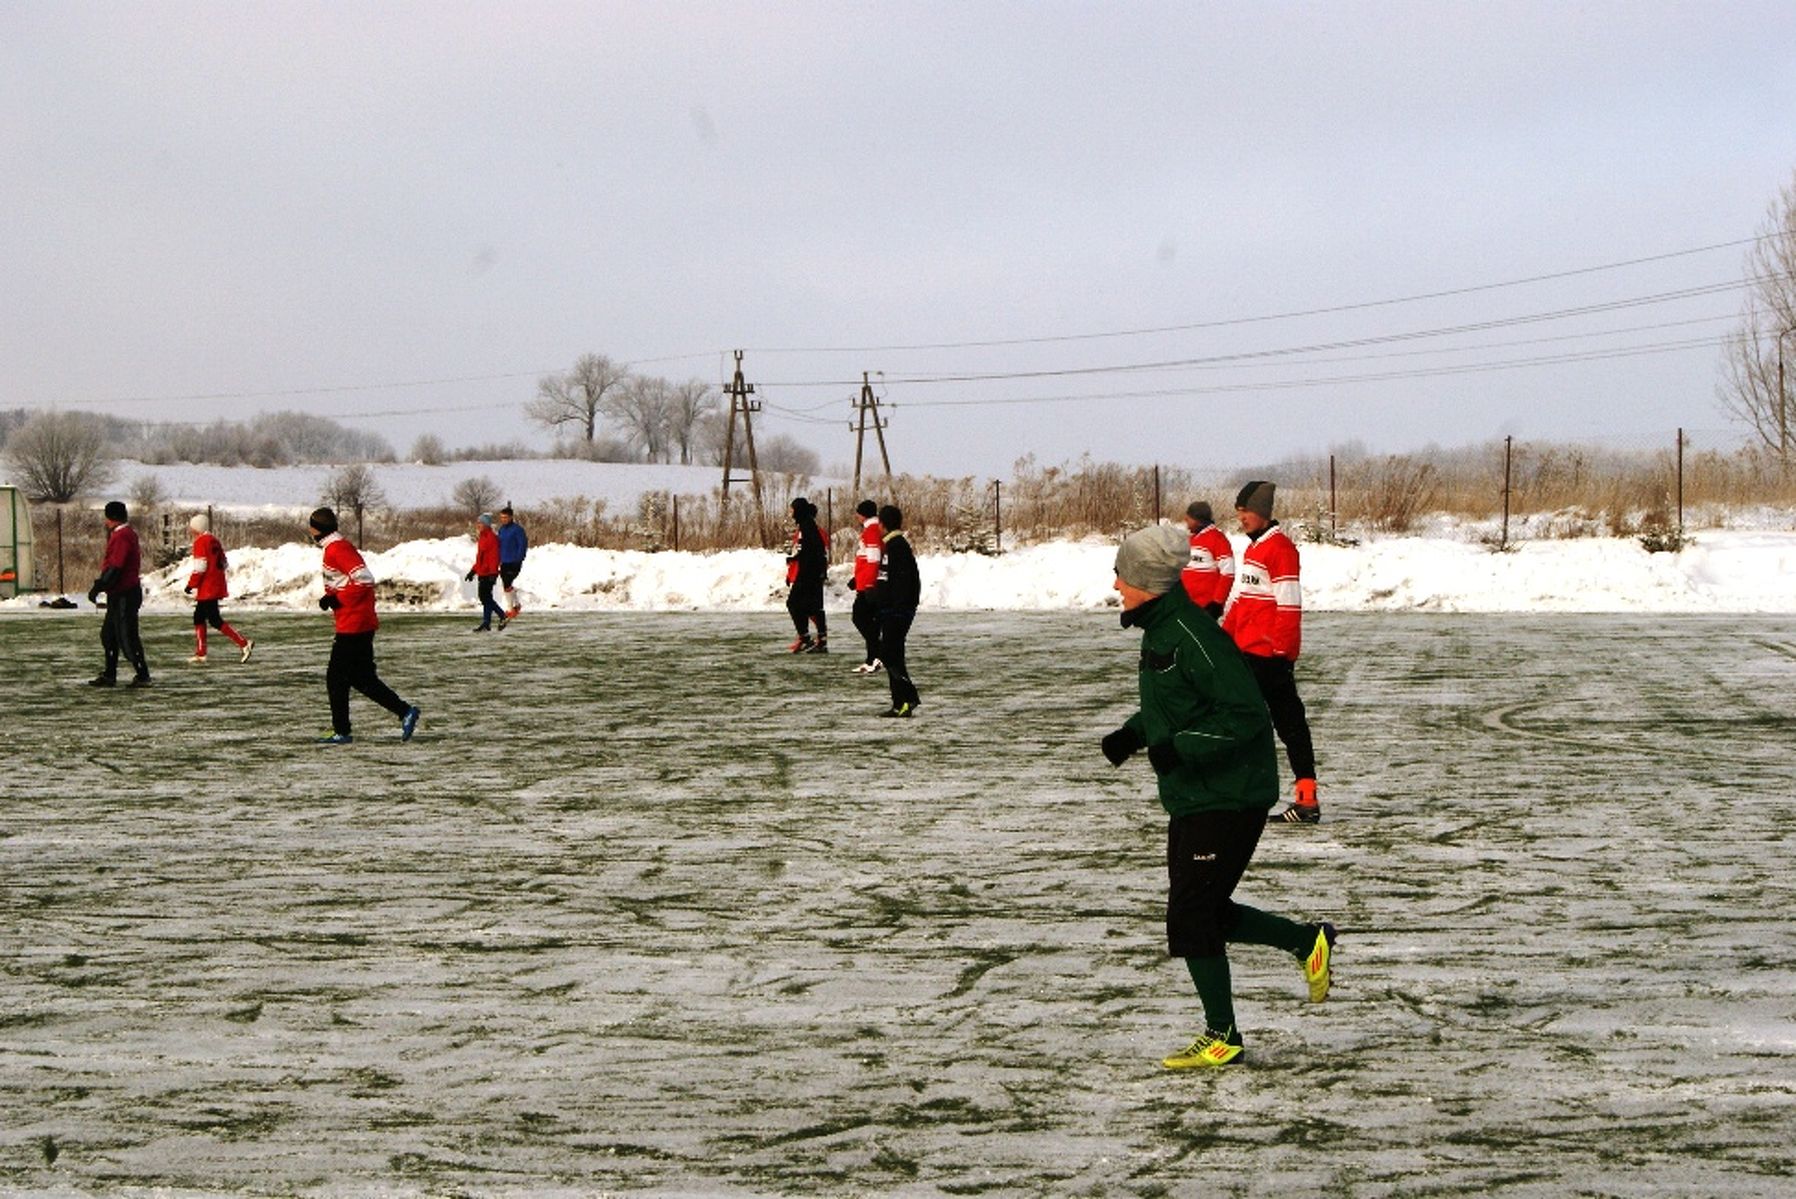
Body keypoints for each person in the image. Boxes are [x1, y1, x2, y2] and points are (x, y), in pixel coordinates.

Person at [1100, 522, 1335, 1069]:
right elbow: (1180, 706)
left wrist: (1177, 749)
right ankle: (1306, 942)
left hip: (1231, 794)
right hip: (1196, 793)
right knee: (1202, 908)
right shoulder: (1160, 629)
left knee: (1191, 914)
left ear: (1148, 582)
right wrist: (1133, 735)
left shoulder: (1192, 635)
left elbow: (1246, 717)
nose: (1116, 584)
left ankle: (1222, 1035)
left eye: (1123, 575)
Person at [1220, 481, 1321, 824]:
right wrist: (1223, 638)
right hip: (1248, 655)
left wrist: (1281, 651)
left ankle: (1304, 799)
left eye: (1245, 511)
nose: (1241, 518)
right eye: (1239, 512)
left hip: (1269, 657)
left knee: (1287, 725)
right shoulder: (1255, 549)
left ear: (1262, 511)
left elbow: (1289, 605)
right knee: (1261, 724)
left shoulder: (1280, 549)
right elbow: (1242, 603)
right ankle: (1264, 796)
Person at [309, 506, 421, 745]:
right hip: (356, 620)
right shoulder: (334, 547)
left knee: (336, 677)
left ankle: (342, 731)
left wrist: (336, 599)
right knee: (362, 678)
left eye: (311, 526)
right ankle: (404, 712)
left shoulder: (337, 549)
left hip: (354, 623)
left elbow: (364, 579)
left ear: (318, 529)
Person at [86, 500, 150, 687]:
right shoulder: (126, 534)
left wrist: (99, 585)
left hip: (125, 593)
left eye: (107, 518)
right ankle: (110, 674)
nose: (105, 522)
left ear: (112, 518)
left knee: (126, 635)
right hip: (122, 592)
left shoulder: (121, 536)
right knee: (109, 634)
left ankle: (142, 674)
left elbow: (116, 565)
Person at [182, 512, 253, 664]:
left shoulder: (200, 542)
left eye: (192, 528)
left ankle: (243, 643)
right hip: (215, 584)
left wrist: (191, 584)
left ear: (196, 528)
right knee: (199, 617)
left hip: (207, 587)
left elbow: (200, 567)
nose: (191, 531)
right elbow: (224, 563)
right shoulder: (214, 540)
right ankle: (201, 653)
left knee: (214, 619)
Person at [872, 504, 921, 717]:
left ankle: (908, 697)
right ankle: (900, 703)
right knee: (893, 655)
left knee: (888, 653)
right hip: (892, 610)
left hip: (897, 612)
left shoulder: (896, 546)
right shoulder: (892, 545)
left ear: (882, 524)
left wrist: (898, 610)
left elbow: (904, 581)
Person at [784, 496, 829, 653]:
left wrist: (794, 560)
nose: (790, 513)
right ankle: (817, 640)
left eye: (792, 509)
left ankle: (806, 638)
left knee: (795, 604)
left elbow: (810, 552)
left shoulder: (808, 527)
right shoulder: (807, 526)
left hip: (808, 575)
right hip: (811, 574)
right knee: (812, 607)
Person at [1179, 500, 1235, 619]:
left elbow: (1228, 573)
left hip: (1205, 606)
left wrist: (1217, 602)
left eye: (1189, 518)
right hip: (1188, 604)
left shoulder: (1217, 539)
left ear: (1198, 520)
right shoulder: (1192, 539)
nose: (1185, 520)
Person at [847, 499, 885, 674]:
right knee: (872, 622)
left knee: (860, 618)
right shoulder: (872, 529)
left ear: (862, 514)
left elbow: (873, 559)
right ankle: (872, 659)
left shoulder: (871, 531)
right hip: (866, 582)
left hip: (869, 585)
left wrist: (868, 583)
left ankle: (878, 654)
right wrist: (856, 578)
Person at [466, 512, 505, 631]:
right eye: (477, 523)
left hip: (489, 573)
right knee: (485, 597)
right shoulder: (482, 537)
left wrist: (493, 573)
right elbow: (480, 558)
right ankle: (487, 622)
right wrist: (473, 571)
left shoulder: (491, 538)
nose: (478, 525)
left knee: (485, 597)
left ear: (486, 525)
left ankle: (501, 616)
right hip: (483, 572)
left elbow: (494, 557)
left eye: (480, 523)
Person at [496, 502, 528, 619]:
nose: (503, 519)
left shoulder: (517, 530)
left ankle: (510, 609)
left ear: (511, 517)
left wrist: (519, 558)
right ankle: (516, 605)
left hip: (514, 561)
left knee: (507, 583)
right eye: (501, 517)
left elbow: (522, 544)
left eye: (505, 517)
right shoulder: (502, 530)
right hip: (504, 561)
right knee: (506, 585)